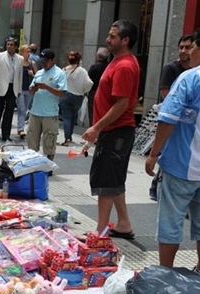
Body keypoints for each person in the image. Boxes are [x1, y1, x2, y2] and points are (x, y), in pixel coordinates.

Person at [144, 30, 200, 270]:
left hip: (182, 165)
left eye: (193, 48)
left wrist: (154, 154)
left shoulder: (190, 78)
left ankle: (165, 276)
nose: (189, 54)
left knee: (170, 223)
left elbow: (167, 118)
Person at [81, 19, 140, 238]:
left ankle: (101, 230)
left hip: (116, 132)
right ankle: (123, 224)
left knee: (106, 181)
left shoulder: (125, 65)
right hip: (115, 131)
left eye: (113, 36)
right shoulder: (117, 61)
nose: (108, 39)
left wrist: (96, 127)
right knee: (115, 180)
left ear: (125, 40)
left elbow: (122, 103)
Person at [148, 34, 194, 201]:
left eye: (187, 47)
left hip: (188, 127)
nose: (183, 50)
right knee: (168, 155)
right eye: (181, 47)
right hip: (172, 121)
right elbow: (167, 97)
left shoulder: (194, 72)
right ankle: (156, 186)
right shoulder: (172, 69)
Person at [27, 49, 67, 165]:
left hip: (50, 113)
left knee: (49, 141)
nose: (43, 64)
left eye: (45, 61)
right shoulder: (39, 72)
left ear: (52, 60)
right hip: (35, 112)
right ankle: (32, 163)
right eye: (42, 61)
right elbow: (30, 90)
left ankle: (49, 166)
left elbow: (63, 93)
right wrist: (34, 88)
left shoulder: (59, 73)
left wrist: (47, 87)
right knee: (32, 140)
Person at [0, 37, 23, 142]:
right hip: (0, 87)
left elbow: (19, 75)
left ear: (15, 46)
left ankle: (6, 134)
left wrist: (19, 90)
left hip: (12, 87)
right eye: (8, 45)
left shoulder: (20, 59)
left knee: (9, 111)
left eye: (11, 45)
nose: (9, 46)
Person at [59, 51, 93, 146]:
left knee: (66, 117)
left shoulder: (63, 70)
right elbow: (89, 83)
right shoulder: (82, 71)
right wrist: (84, 90)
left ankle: (67, 138)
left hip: (65, 95)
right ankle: (70, 135)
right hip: (78, 97)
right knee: (73, 117)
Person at [17, 44, 37, 138]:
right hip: (19, 89)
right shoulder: (18, 63)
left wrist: (32, 74)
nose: (28, 53)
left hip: (29, 89)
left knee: (25, 109)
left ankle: (21, 127)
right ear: (21, 52)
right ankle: (21, 129)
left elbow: (37, 77)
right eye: (26, 51)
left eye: (29, 51)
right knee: (21, 109)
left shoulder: (32, 63)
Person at [87, 47, 110, 127]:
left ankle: (93, 130)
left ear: (99, 56)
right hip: (107, 93)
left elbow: (88, 81)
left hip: (94, 92)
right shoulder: (110, 66)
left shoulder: (94, 67)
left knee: (92, 112)